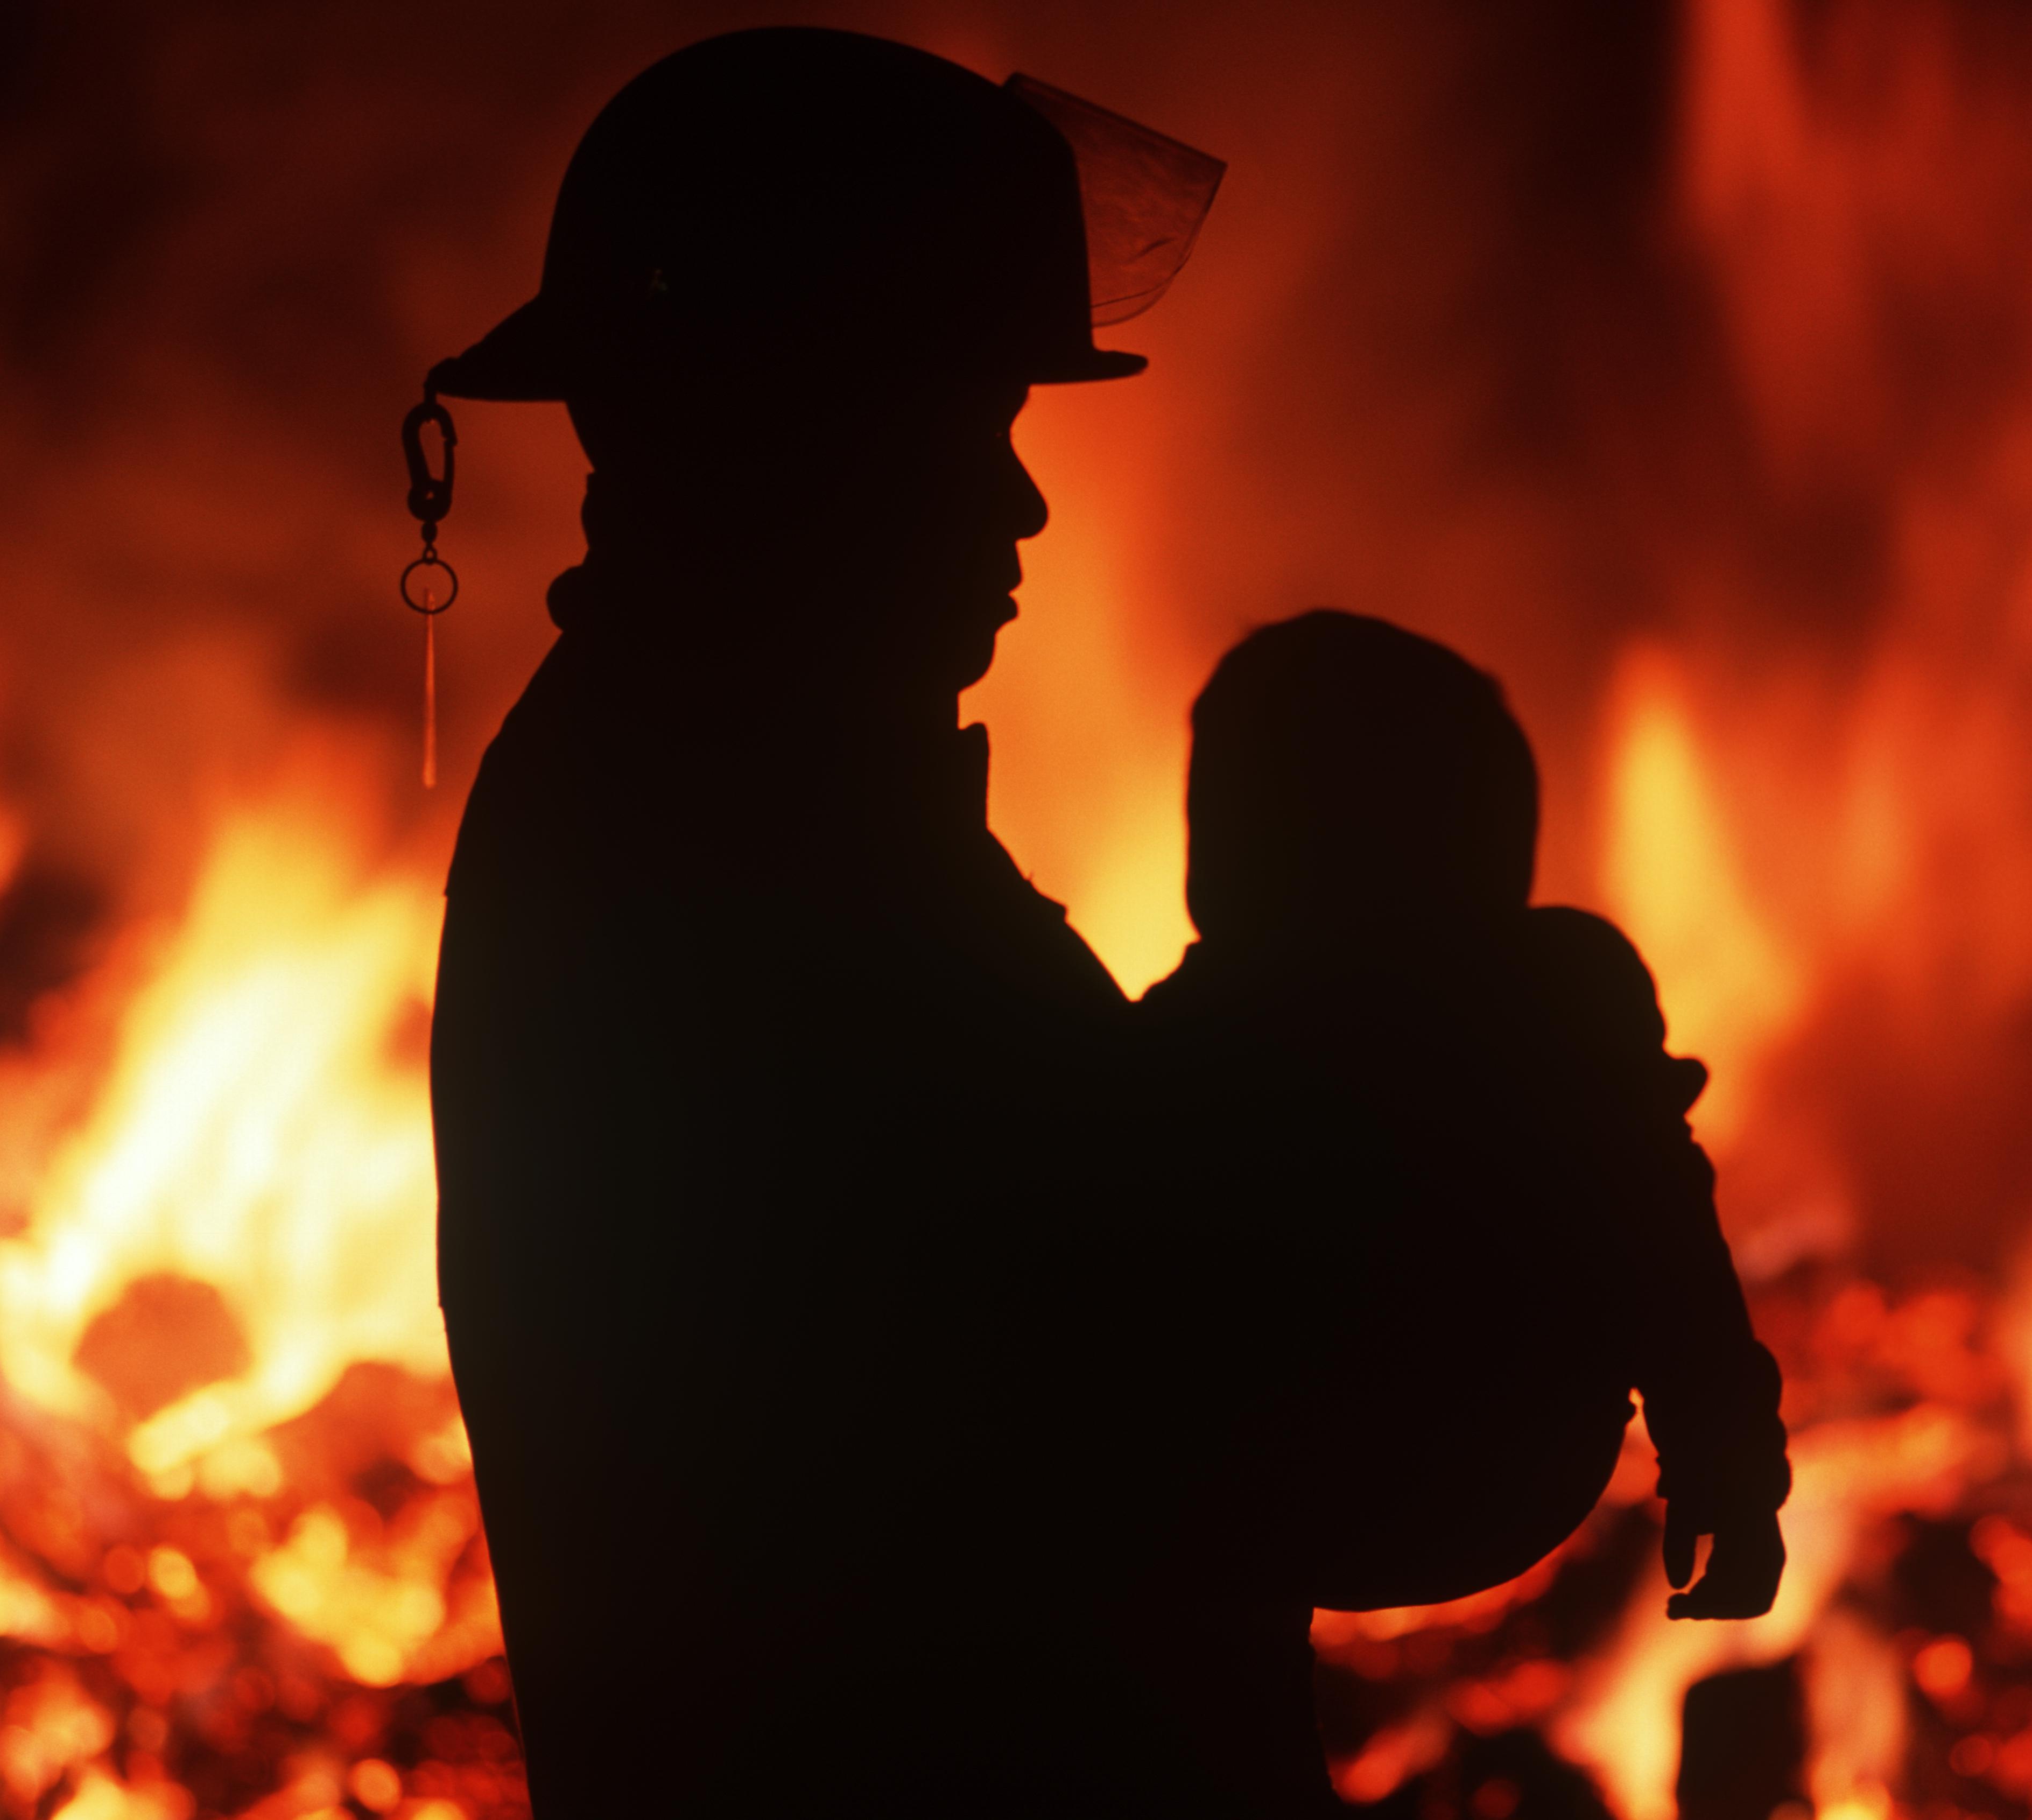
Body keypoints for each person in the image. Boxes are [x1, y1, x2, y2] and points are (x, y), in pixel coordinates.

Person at [424, 29, 1225, 1818]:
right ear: (795, 425)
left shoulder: (727, 802)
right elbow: (1157, 1392)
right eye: (973, 420)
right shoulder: (743, 872)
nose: (1021, 503)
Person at [1141, 610, 1791, 1622]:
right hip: (1496, 1475)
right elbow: (1666, 1230)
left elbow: (1657, 1218)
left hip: (1284, 1497)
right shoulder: (1562, 994)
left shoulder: (1181, 1046)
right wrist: (1728, 1457)